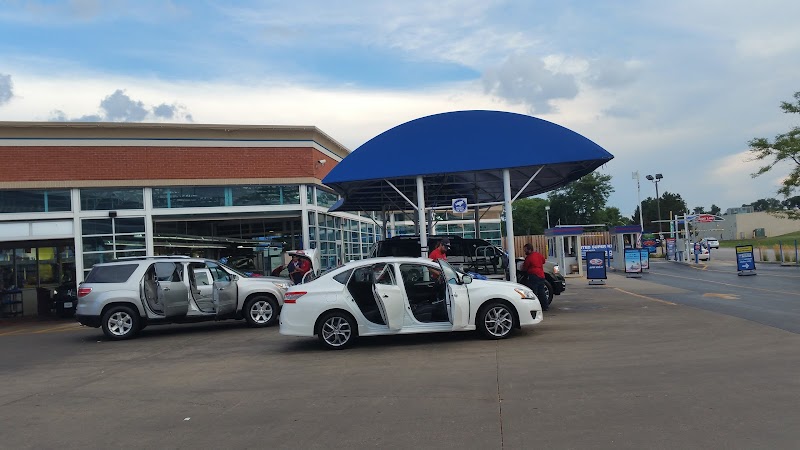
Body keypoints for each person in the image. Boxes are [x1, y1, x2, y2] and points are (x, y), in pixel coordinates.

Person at [520, 243, 548, 311]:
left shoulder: (529, 258)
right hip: (541, 275)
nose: (525, 252)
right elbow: (543, 261)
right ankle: (545, 306)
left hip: (534, 276)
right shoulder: (538, 255)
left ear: (529, 250)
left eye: (525, 250)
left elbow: (525, 268)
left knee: (533, 292)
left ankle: (534, 307)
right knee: (542, 292)